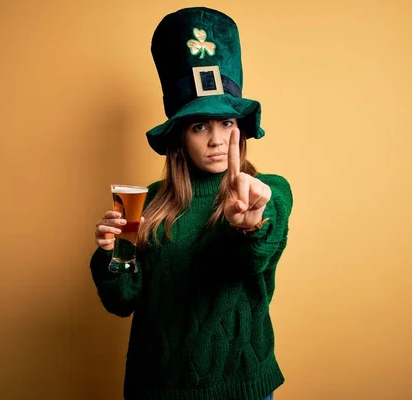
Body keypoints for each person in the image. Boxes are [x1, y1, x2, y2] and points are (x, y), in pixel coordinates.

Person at [90, 7, 292, 400]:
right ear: (180, 136)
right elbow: (122, 302)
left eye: (227, 123)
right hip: (158, 388)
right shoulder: (146, 202)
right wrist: (114, 255)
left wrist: (247, 226)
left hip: (241, 389)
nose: (216, 139)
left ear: (241, 128)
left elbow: (250, 262)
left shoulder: (269, 191)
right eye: (200, 126)